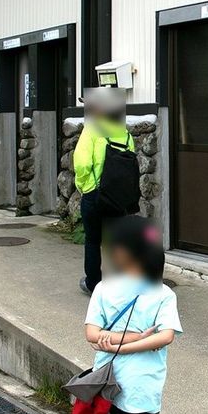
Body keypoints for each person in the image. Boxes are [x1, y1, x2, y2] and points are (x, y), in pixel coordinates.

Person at [84, 216, 181, 414]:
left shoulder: (103, 289)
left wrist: (115, 341)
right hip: (141, 390)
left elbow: (92, 334)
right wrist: (136, 339)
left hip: (109, 384)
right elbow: (166, 336)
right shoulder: (162, 294)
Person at [74, 87, 139, 294]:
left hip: (95, 194)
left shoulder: (92, 130)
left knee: (93, 240)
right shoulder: (126, 134)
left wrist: (85, 187)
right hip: (118, 197)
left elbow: (82, 164)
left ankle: (93, 283)